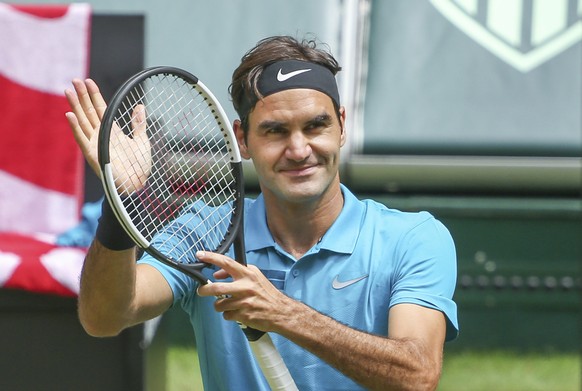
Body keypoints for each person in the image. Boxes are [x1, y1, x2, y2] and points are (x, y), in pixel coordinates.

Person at [65, 35, 458, 391]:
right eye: (276, 131)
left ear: (341, 126)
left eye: (315, 125)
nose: (299, 149)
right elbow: (104, 318)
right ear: (243, 139)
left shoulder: (414, 238)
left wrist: (283, 314)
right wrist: (118, 205)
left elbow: (417, 376)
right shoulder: (206, 232)